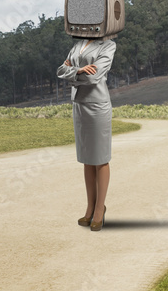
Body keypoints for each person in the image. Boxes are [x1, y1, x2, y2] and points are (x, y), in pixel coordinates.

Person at [56, 36, 116, 231]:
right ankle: (89, 207)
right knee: (87, 158)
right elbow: (60, 70)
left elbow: (94, 77)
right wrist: (78, 70)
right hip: (79, 105)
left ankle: (100, 209)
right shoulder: (78, 45)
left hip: (97, 105)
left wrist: (72, 72)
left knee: (100, 157)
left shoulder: (108, 45)